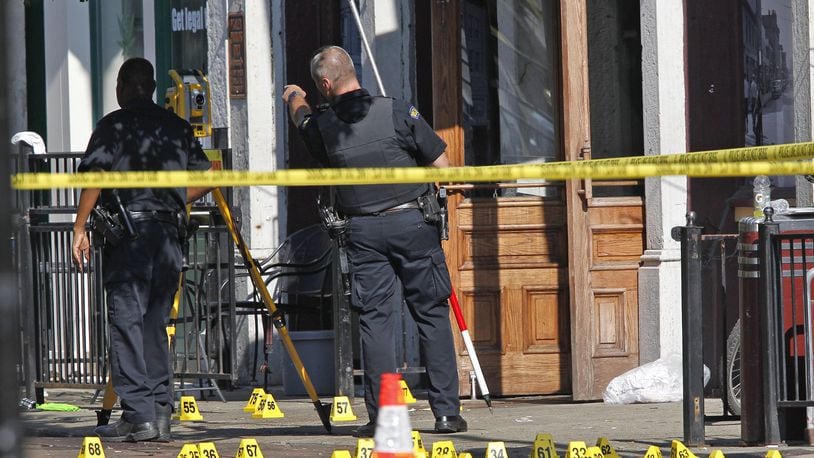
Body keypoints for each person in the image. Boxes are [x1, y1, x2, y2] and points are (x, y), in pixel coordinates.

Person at [281, 45, 466, 436]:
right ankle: (447, 413)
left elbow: (302, 121)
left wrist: (295, 96)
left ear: (326, 84)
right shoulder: (397, 110)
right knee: (431, 315)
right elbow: (444, 168)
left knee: (375, 324)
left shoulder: (325, 129)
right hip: (414, 224)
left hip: (363, 232)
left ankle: (384, 418)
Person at [71, 57, 212, 442]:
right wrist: (171, 199)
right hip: (167, 235)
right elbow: (210, 177)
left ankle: (139, 415)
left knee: (127, 322)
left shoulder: (113, 125)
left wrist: (80, 225)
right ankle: (160, 411)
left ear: (122, 86)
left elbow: (96, 176)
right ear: (150, 87)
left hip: (130, 235)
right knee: (154, 325)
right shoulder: (176, 127)